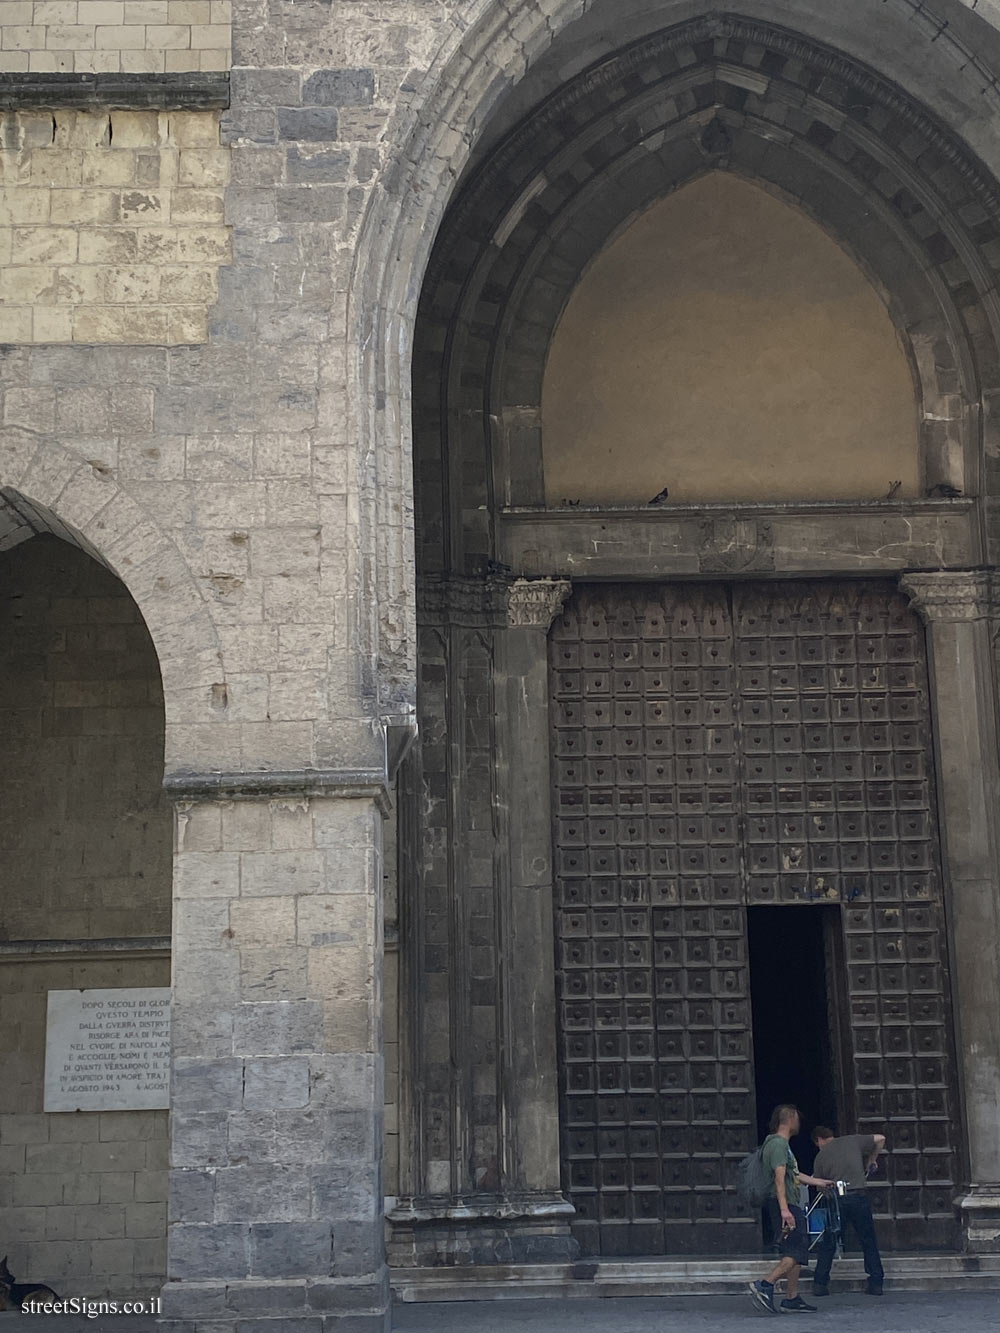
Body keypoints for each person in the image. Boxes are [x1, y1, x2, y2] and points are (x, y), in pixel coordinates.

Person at [748, 1105, 834, 1315]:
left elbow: (792, 1174)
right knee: (797, 1250)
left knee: (793, 1249)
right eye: (797, 1118)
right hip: (786, 1205)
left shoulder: (781, 1145)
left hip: (787, 1202)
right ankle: (765, 1284)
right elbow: (779, 1178)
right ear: (790, 1119)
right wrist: (785, 1210)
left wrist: (817, 1181)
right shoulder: (777, 1145)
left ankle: (792, 1297)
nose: (799, 1123)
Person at [810, 1126, 886, 1297]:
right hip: (859, 1195)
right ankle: (876, 1282)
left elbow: (819, 1185)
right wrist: (871, 1161)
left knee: (829, 1241)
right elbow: (880, 1138)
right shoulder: (853, 1140)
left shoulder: (820, 1156)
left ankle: (820, 1283)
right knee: (868, 1240)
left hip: (837, 1199)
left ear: (819, 1140)